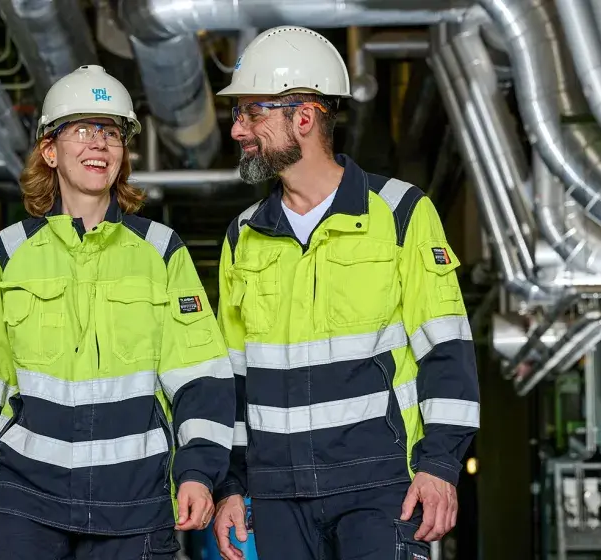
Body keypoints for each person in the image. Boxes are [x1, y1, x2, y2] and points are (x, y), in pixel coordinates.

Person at [0, 64, 236, 559]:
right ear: (50, 151)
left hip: (136, 503)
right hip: (25, 503)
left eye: (112, 133)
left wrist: (199, 472)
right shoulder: (9, 254)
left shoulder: (161, 252)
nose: (100, 143)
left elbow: (201, 376)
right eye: (83, 130)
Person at [210, 26, 481, 560]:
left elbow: (446, 350)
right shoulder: (243, 236)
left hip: (382, 488)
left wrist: (440, 465)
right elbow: (231, 378)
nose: (239, 130)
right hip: (279, 494)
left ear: (303, 118)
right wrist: (231, 484)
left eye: (252, 113)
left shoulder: (400, 213)